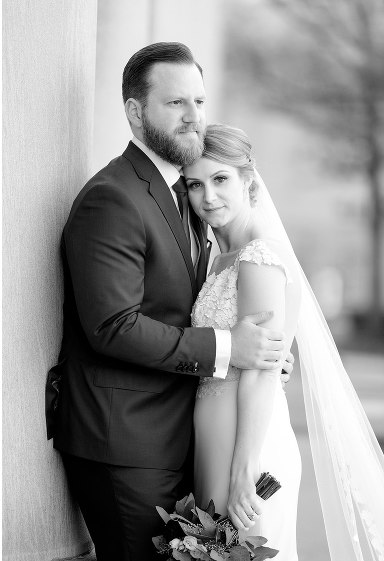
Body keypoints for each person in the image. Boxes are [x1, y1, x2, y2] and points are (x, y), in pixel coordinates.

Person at [45, 42, 294, 561]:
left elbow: (191, 305)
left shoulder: (185, 198)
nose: (193, 116)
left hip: (177, 440)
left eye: (199, 103)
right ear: (136, 112)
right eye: (176, 103)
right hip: (125, 443)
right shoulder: (113, 197)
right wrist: (231, 349)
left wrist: (265, 354)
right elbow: (113, 325)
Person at [184, 125, 302, 557]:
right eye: (195, 184)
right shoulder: (218, 259)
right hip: (215, 436)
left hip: (249, 444)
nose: (208, 196)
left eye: (220, 179)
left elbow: (261, 369)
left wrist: (243, 471)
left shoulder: (258, 257)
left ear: (248, 180)